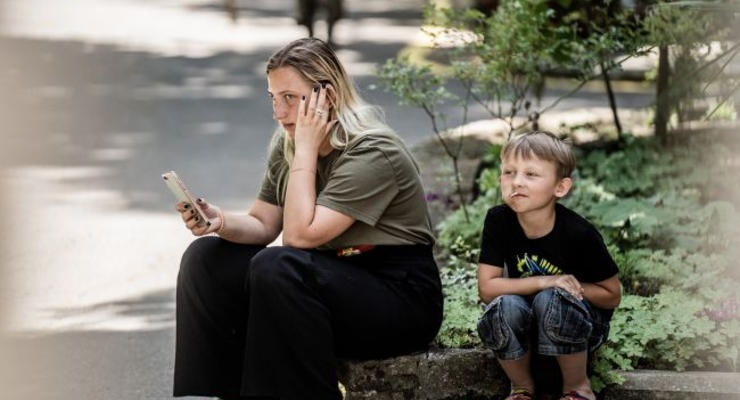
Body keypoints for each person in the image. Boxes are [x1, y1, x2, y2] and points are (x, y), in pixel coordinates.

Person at [172, 37, 443, 400]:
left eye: (289, 98)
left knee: (279, 266)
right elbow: (265, 224)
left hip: (397, 297)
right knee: (206, 259)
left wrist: (307, 150)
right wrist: (217, 220)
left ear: (326, 96)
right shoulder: (287, 142)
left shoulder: (375, 151)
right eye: (272, 97)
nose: (278, 112)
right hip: (330, 278)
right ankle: (217, 393)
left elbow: (299, 237)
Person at [476, 131, 621, 400]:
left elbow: (612, 295)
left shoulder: (579, 233)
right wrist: (547, 281)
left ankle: (578, 389)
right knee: (503, 306)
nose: (516, 182)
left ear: (560, 187)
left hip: (579, 329)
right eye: (509, 172)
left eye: (531, 175)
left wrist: (563, 288)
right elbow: (487, 289)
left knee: (552, 298)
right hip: (529, 324)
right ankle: (521, 389)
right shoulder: (499, 220)